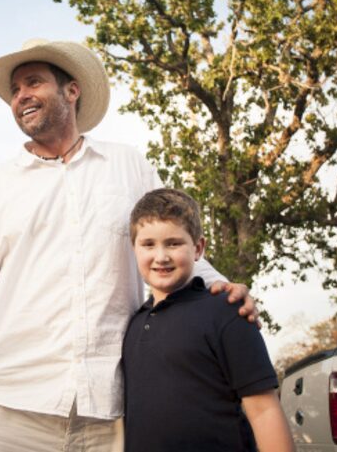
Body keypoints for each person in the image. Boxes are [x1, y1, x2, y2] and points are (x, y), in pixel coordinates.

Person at [0, 39, 258, 452]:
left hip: (106, 416)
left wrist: (226, 289)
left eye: (32, 83)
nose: (20, 97)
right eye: (15, 91)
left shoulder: (128, 165)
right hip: (2, 410)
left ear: (72, 90)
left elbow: (170, 239)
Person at [123, 188, 293, 452]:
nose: (161, 256)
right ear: (134, 249)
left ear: (198, 248)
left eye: (173, 243)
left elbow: (264, 410)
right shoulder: (133, 324)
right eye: (148, 244)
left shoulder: (227, 312)